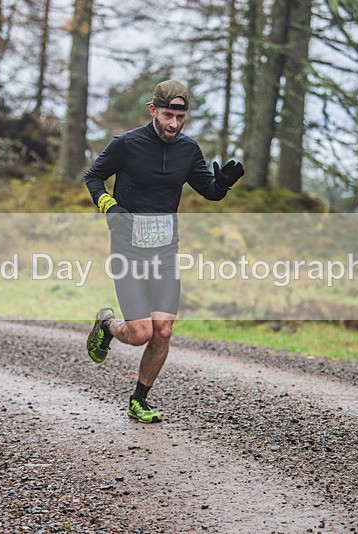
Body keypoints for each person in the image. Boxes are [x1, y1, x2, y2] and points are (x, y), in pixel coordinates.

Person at [83, 79, 244, 423]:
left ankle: (139, 399)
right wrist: (110, 207)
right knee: (140, 333)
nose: (174, 124)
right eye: (168, 116)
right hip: (128, 250)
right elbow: (93, 177)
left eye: (180, 118)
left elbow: (208, 189)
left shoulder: (188, 149)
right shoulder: (126, 144)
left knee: (164, 330)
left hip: (165, 252)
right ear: (153, 110)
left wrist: (222, 185)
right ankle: (107, 325)